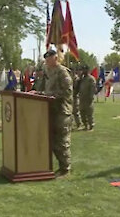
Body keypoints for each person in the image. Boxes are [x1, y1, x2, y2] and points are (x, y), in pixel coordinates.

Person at [43, 49, 73, 178]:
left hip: (62, 111)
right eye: (46, 60)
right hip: (52, 110)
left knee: (62, 141)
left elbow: (67, 92)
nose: (47, 62)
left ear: (55, 58)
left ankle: (65, 169)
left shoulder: (62, 72)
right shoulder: (50, 72)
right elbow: (49, 90)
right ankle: (60, 167)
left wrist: (51, 96)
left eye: (49, 59)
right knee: (53, 141)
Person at [79, 64, 97, 131]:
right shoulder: (82, 79)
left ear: (87, 70)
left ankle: (91, 126)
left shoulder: (91, 79)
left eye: (84, 69)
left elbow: (93, 89)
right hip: (82, 99)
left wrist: (91, 97)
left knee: (89, 114)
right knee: (82, 113)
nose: (83, 71)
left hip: (88, 99)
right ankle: (85, 125)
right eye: (82, 69)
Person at [72, 65, 82, 130]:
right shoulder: (70, 78)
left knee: (76, 111)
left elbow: (76, 88)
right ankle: (71, 124)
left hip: (75, 97)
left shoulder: (76, 79)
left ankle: (79, 124)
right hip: (70, 97)